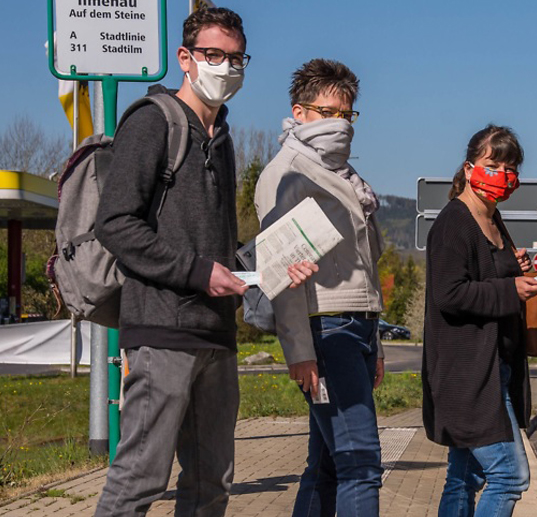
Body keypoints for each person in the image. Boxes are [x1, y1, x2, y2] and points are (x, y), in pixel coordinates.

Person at [93, 8, 314, 516]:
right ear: (186, 58)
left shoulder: (225, 137)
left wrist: (274, 265)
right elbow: (116, 223)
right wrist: (196, 272)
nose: (226, 67)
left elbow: (216, 247)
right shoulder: (153, 121)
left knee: (211, 484)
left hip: (217, 335)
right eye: (214, 55)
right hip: (162, 332)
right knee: (139, 481)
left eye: (236, 58)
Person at [254, 58, 386, 517]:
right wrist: (298, 350)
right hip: (326, 329)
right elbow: (280, 271)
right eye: (328, 112)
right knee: (361, 464)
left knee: (329, 465)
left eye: (347, 115)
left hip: (359, 327)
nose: (340, 124)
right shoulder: (287, 173)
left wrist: (377, 340)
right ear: (300, 111)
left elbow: (364, 265)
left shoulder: (349, 178)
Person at [423, 125, 537, 516]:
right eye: (494, 163)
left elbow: (484, 271)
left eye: (511, 167)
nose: (503, 175)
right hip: (468, 376)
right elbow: (450, 293)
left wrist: (513, 266)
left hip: (493, 369)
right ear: (470, 167)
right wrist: (511, 291)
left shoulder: (493, 218)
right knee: (509, 475)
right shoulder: (454, 222)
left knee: (464, 477)